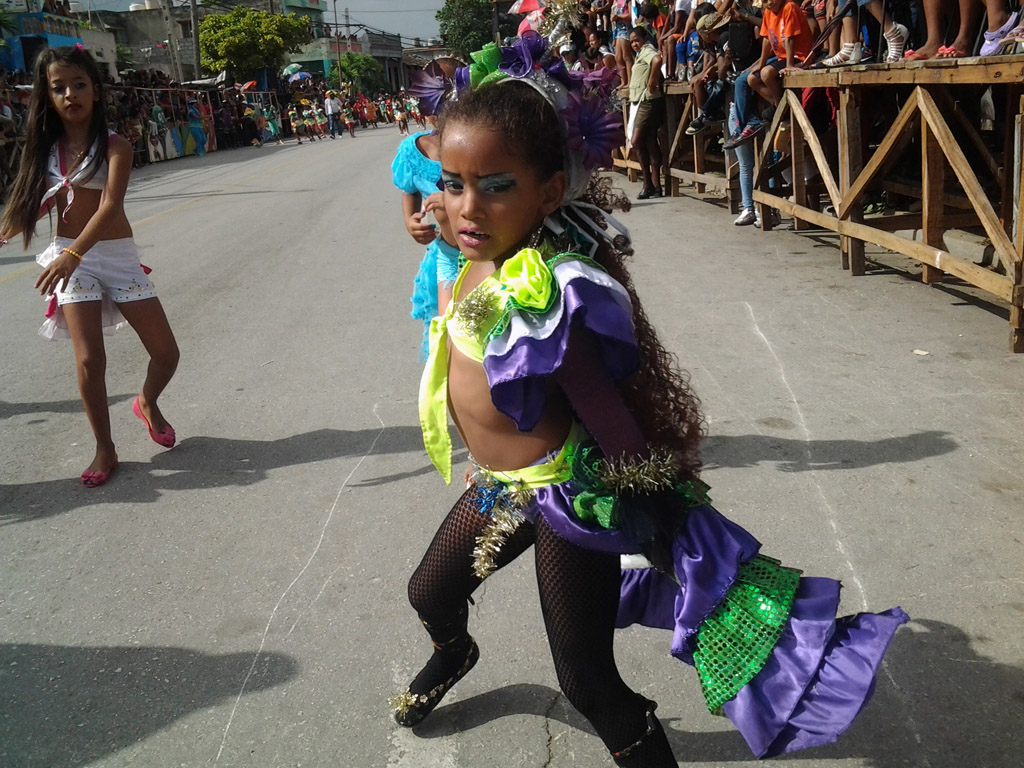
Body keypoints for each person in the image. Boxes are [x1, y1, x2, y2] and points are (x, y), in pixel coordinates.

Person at [391, 33, 907, 767]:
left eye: (495, 185)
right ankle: (456, 649)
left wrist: (658, 505)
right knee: (427, 592)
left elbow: (603, 409)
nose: (467, 206)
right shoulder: (464, 257)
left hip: (569, 499)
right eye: (452, 183)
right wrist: (438, 220)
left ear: (548, 192)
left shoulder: (548, 292)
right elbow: (460, 292)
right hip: (499, 491)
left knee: (588, 681)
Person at [0, 47, 179, 487]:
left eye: (79, 85)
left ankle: (146, 402)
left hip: (109, 256)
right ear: (46, 95)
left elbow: (109, 205)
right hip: (70, 259)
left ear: (96, 93)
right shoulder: (43, 151)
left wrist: (72, 254)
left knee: (166, 352)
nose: (70, 94)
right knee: (88, 360)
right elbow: (30, 206)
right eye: (58, 87)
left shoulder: (115, 146)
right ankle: (105, 446)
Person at [628, 25, 665, 199]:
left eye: (637, 40)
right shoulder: (639, 54)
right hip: (640, 100)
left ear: (644, 39)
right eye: (632, 42)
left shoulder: (647, 50)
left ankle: (648, 183)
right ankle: (655, 185)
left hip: (648, 101)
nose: (634, 44)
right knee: (649, 140)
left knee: (636, 141)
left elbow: (657, 60)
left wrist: (652, 82)